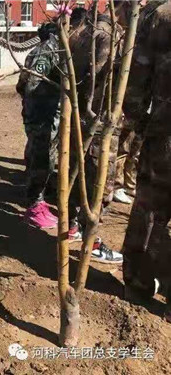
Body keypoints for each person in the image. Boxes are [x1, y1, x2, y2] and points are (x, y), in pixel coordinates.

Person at [66, 0, 137, 264]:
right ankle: (92, 241)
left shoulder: (84, 30)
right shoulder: (109, 36)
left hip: (82, 120)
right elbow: (101, 81)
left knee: (79, 174)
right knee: (100, 185)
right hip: (101, 122)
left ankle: (74, 226)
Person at [121, 1, 171, 323]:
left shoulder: (159, 15)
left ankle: (138, 284)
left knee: (148, 211)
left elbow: (135, 79)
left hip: (164, 136)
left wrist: (141, 124)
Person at [16, 22, 61, 229]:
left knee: (36, 154)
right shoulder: (48, 50)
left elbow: (21, 84)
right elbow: (33, 82)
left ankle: (37, 198)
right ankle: (35, 205)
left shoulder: (34, 51)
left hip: (36, 114)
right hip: (43, 116)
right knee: (42, 158)